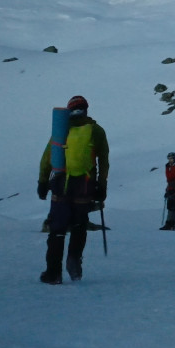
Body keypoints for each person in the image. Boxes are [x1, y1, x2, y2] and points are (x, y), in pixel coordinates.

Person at [37, 95, 109, 283]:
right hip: (85, 185)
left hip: (61, 184)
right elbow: (103, 161)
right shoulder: (96, 130)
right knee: (79, 226)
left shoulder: (61, 129)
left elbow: (47, 157)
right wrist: (101, 187)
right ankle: (74, 263)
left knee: (57, 228)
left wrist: (43, 181)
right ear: (86, 109)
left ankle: (53, 273)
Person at [161, 152, 175, 230]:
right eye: (169, 158)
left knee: (171, 207)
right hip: (171, 187)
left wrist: (167, 168)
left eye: (171, 158)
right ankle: (170, 224)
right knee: (170, 206)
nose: (170, 160)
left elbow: (170, 177)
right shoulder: (173, 166)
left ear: (174, 158)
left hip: (174, 188)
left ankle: (170, 224)